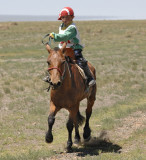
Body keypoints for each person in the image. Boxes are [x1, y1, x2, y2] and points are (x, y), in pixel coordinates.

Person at [44, 7, 95, 87]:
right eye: (63, 17)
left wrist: (55, 36)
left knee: (80, 60)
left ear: (72, 17)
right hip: (63, 49)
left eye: (67, 17)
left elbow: (65, 36)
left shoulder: (72, 28)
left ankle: (89, 77)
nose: (65, 19)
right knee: (54, 61)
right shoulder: (61, 26)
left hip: (74, 48)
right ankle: (50, 76)